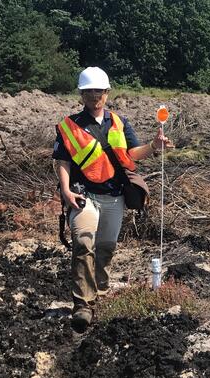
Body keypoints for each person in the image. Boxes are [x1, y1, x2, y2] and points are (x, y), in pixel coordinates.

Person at [53, 67, 173, 332]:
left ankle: (100, 291)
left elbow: (132, 153)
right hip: (84, 195)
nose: (95, 95)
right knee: (84, 243)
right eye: (89, 91)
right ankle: (83, 305)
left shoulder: (119, 122)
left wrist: (154, 146)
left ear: (107, 93)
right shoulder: (69, 126)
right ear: (82, 94)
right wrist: (65, 189)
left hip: (114, 196)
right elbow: (63, 161)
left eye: (99, 91)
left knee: (105, 249)